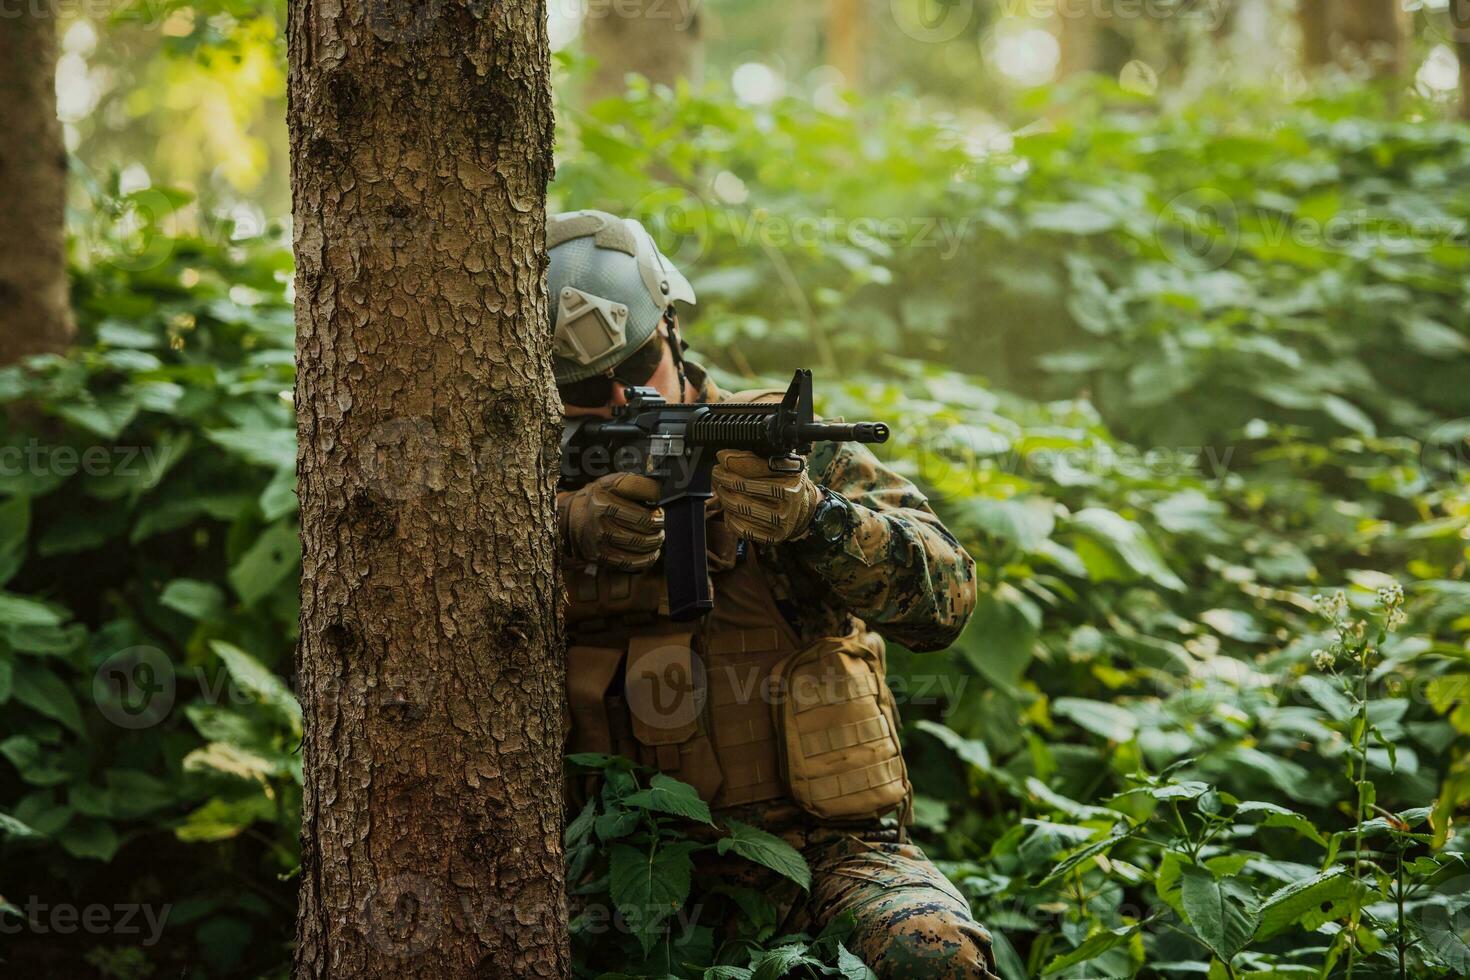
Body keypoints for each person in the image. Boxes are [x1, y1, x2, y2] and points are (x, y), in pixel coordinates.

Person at [551, 209, 998, 978]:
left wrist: (816, 521)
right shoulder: (503, 489)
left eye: (634, 368)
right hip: (613, 861)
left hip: (825, 852)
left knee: (933, 958)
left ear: (672, 324)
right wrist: (559, 531)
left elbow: (947, 600)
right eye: (586, 385)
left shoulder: (771, 443)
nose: (622, 402)